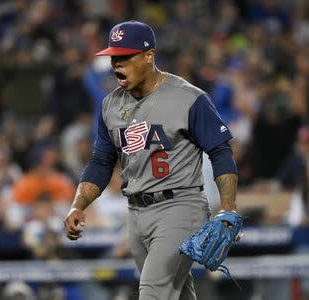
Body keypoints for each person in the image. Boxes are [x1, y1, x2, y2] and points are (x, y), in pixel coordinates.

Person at [64, 20, 239, 300]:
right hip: (135, 213)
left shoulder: (188, 98)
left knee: (153, 293)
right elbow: (101, 160)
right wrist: (78, 204)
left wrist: (227, 209)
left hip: (180, 208)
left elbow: (220, 151)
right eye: (114, 58)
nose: (117, 64)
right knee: (177, 293)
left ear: (149, 56)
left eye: (126, 57)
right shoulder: (110, 105)